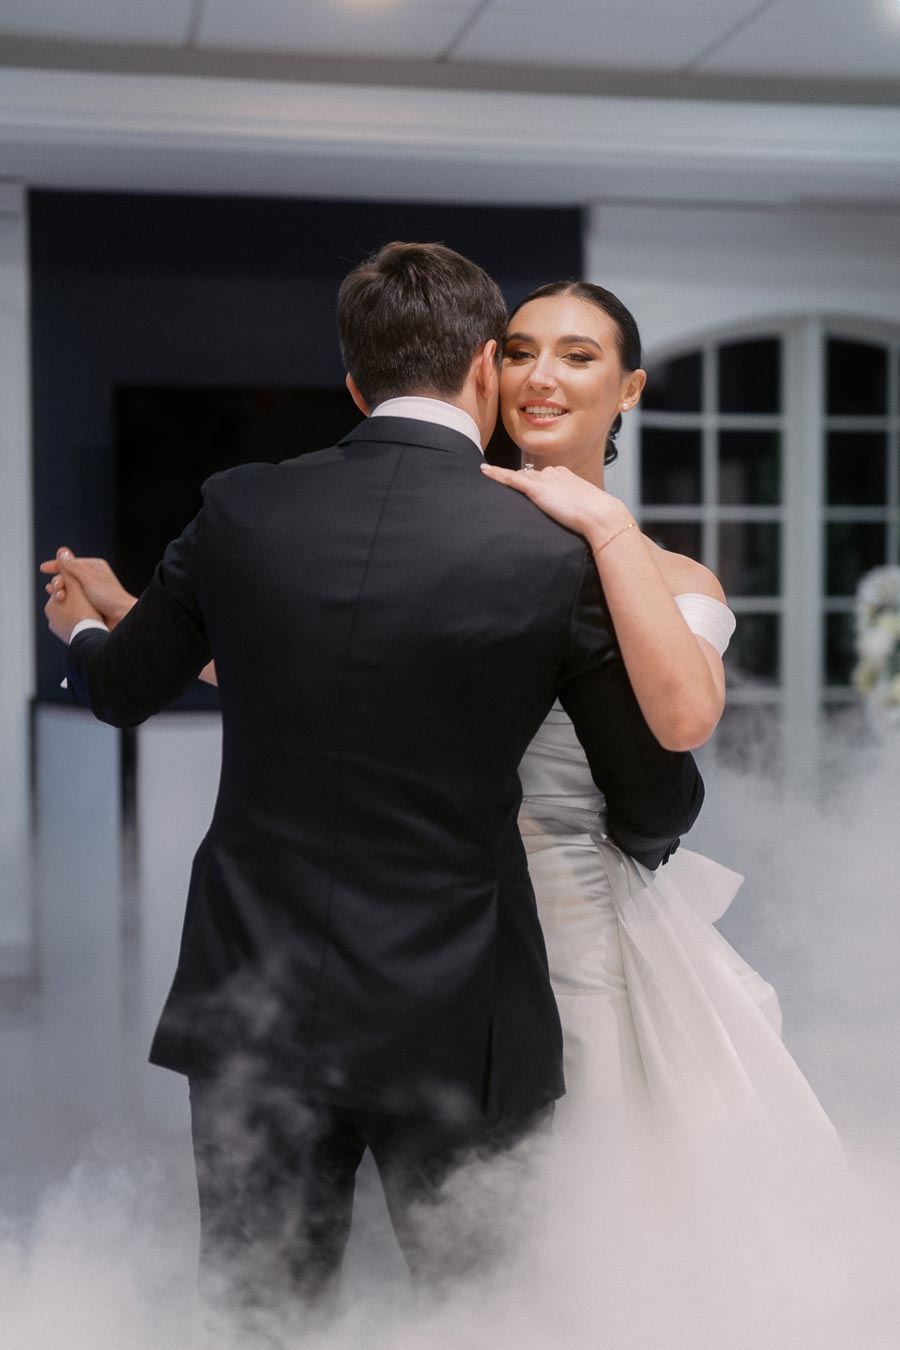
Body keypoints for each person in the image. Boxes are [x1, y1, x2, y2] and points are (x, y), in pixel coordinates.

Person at [40, 244, 704, 1320]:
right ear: (487, 368)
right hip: (460, 1012)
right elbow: (654, 793)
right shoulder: (549, 547)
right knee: (477, 1315)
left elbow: (121, 687)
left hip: (256, 996)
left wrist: (77, 622)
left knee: (261, 1311)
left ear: (352, 383)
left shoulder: (239, 508)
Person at [480, 281, 840, 1167]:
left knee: (590, 1164)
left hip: (573, 901)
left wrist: (604, 527)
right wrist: (129, 623)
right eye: (520, 352)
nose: (541, 377)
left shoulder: (669, 573)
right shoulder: (445, 540)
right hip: (437, 895)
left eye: (577, 355)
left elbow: (684, 716)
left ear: (628, 390)